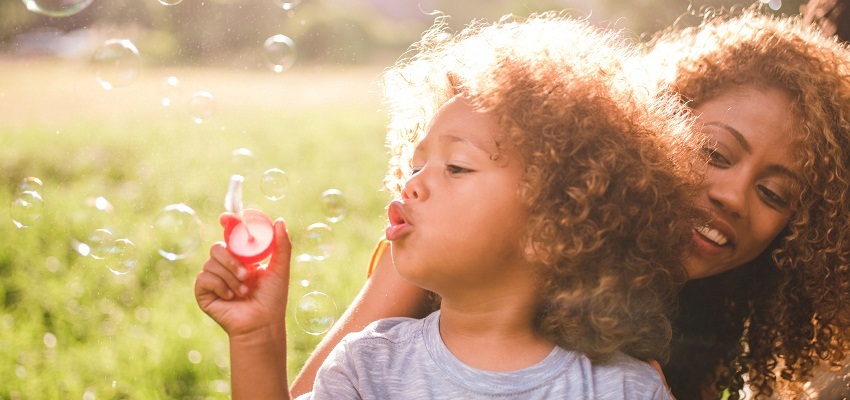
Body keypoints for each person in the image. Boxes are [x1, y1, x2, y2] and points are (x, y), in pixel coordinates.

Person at [290, 8, 850, 400]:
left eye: (775, 194)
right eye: (715, 153)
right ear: (651, 133)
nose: (731, 196)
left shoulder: (722, 319)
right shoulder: (454, 234)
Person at [196, 12, 705, 399]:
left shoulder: (619, 388)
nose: (411, 186)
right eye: (414, 167)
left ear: (558, 217)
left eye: (456, 167)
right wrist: (258, 337)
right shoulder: (369, 365)